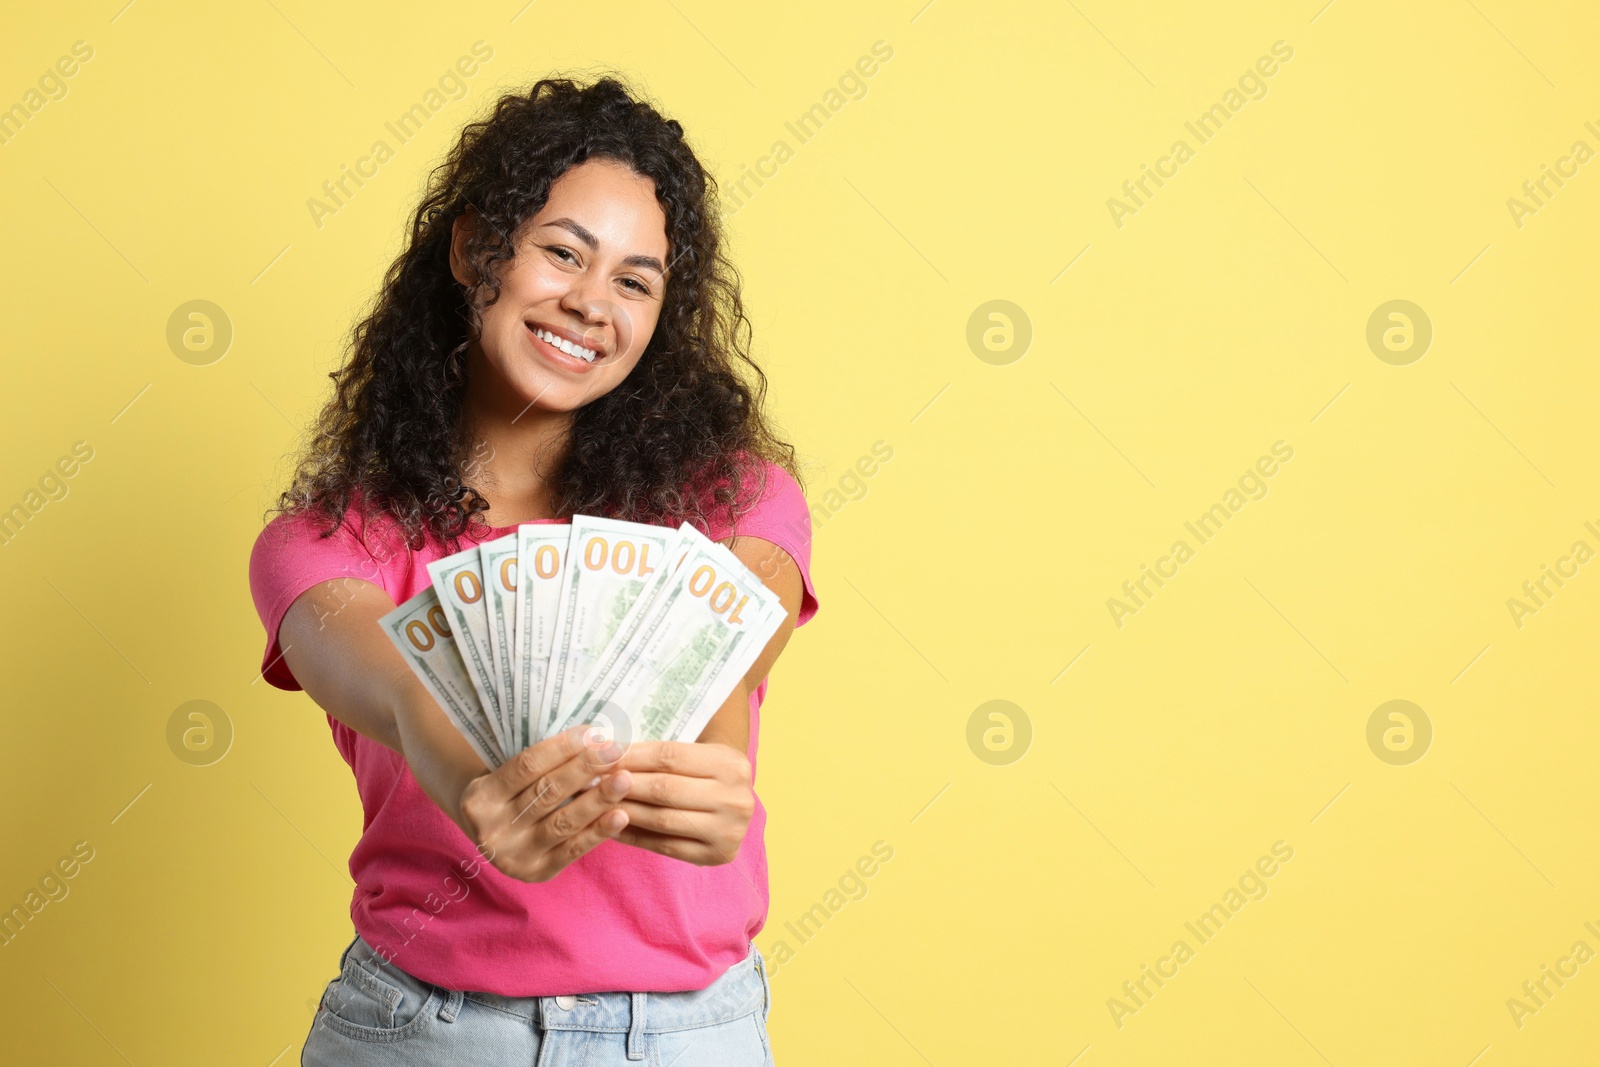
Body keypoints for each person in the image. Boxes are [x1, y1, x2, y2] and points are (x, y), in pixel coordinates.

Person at [247, 75, 818, 1065]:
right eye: (563, 252)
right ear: (474, 250)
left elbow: (732, 636)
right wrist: (473, 776)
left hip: (693, 1034)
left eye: (635, 281)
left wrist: (710, 777)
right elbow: (387, 684)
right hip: (424, 1033)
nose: (591, 303)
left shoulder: (737, 494)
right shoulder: (329, 538)